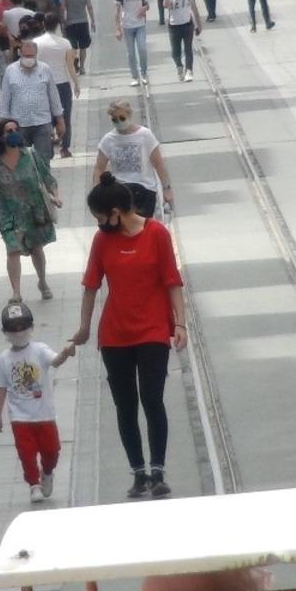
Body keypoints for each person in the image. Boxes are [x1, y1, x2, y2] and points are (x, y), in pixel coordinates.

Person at [72, 172, 187, 499]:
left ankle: (158, 470)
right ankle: (138, 471)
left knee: (152, 398)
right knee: (125, 404)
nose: (99, 224)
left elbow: (172, 281)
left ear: (117, 211)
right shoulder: (102, 241)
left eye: (100, 217)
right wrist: (84, 326)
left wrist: (180, 324)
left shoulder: (157, 234)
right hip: (115, 334)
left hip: (152, 329)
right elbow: (91, 286)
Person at [0, 301, 75, 503]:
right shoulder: (4, 359)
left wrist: (65, 353)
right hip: (19, 417)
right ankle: (34, 484)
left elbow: (55, 361)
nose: (19, 333)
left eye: (23, 327)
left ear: (30, 327)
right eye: (14, 329)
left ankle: (47, 472)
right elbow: (1, 388)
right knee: (26, 453)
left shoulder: (39, 350)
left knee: (52, 450)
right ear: (6, 332)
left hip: (44, 414)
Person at [0, 119, 60, 304]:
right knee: (12, 251)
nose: (13, 133)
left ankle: (42, 281)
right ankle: (16, 292)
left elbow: (47, 178)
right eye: (9, 131)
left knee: (36, 249)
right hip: (9, 213)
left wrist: (56, 196)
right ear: (1, 137)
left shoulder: (31, 155)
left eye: (16, 129)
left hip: (34, 210)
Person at [93, 100, 173, 218]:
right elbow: (99, 168)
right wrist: (97, 193)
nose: (119, 122)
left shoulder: (145, 135)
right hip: (120, 193)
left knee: (143, 230)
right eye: (114, 119)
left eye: (122, 118)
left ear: (129, 115)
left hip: (145, 191)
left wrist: (166, 189)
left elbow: (159, 164)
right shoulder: (108, 139)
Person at [0, 40, 65, 163]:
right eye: (26, 56)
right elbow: (5, 98)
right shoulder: (10, 71)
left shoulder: (45, 69)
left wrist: (60, 120)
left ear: (36, 54)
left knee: (43, 160)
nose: (29, 59)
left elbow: (54, 96)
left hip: (42, 123)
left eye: (31, 56)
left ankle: (45, 181)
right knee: (21, 162)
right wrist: (3, 124)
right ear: (20, 54)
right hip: (19, 124)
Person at [34, 14, 79, 160]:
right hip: (62, 84)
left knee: (46, 117)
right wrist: (76, 84)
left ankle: (48, 147)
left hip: (43, 84)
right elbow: (70, 66)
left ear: (43, 25)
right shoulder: (65, 43)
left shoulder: (36, 43)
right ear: (58, 25)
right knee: (65, 117)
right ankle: (64, 148)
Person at [163, 0, 203, 83]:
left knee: (188, 49)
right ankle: (179, 66)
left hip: (187, 24)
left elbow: (194, 9)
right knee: (175, 52)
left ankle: (189, 70)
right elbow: (165, 5)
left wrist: (199, 24)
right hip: (174, 26)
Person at [115, 0, 150, 86]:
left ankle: (144, 73)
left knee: (142, 49)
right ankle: (134, 76)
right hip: (127, 25)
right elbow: (117, 10)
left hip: (140, 24)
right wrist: (118, 28)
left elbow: (146, 4)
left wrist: (144, 9)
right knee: (130, 53)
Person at [60, 0, 95, 76]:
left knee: (73, 46)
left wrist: (63, 22)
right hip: (83, 22)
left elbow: (63, 8)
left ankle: (75, 59)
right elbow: (89, 7)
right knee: (83, 46)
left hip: (70, 22)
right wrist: (93, 20)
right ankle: (83, 67)